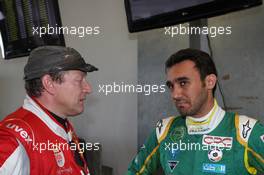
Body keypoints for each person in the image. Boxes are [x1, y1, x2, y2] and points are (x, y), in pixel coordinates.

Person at [126, 48, 264, 175]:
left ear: (210, 82)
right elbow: (135, 171)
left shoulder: (246, 131)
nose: (175, 94)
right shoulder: (164, 130)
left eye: (183, 83)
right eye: (171, 86)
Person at [0, 45, 98, 175]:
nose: (88, 88)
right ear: (49, 84)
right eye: (79, 80)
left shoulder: (61, 126)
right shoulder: (13, 139)